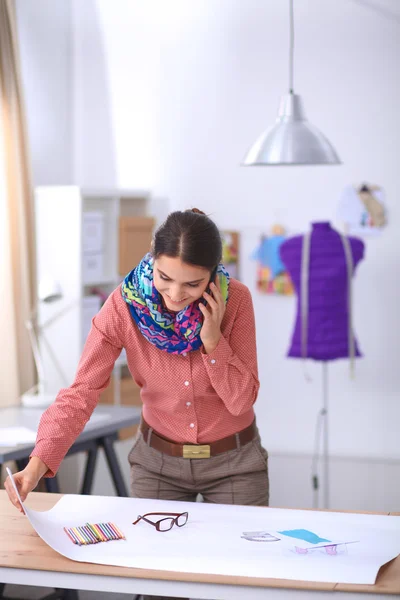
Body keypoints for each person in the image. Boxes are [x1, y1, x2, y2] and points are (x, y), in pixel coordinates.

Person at [5, 208, 269, 600]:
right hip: (158, 465)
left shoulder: (238, 302)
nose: (176, 296)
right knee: (158, 585)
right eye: (165, 278)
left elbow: (241, 399)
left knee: (238, 583)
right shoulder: (121, 307)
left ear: (214, 274)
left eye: (192, 284)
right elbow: (81, 392)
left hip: (235, 465)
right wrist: (37, 463)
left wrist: (213, 341)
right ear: (151, 257)